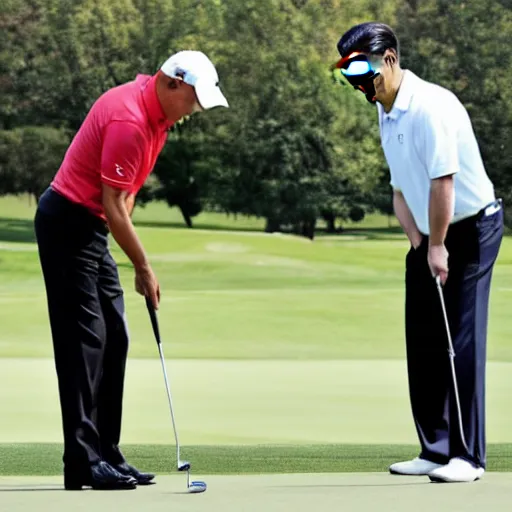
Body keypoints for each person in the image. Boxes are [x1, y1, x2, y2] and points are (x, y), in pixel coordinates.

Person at [34, 50, 229, 490]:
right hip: (67, 222)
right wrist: (143, 267)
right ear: (172, 82)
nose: (194, 111)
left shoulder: (156, 120)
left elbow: (124, 200)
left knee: (115, 335)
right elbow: (112, 204)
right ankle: (81, 462)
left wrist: (127, 251)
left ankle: (105, 451)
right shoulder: (130, 120)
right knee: (84, 341)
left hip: (93, 228)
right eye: (194, 99)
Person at [333, 23, 503, 483]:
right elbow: (399, 188)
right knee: (424, 338)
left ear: (389, 59)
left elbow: (442, 182)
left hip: (471, 227)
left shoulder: (430, 106)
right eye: (348, 73)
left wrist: (438, 245)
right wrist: (417, 240)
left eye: (363, 70)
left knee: (459, 341)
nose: (358, 83)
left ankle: (468, 457)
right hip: (430, 234)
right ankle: (436, 447)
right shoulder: (385, 110)